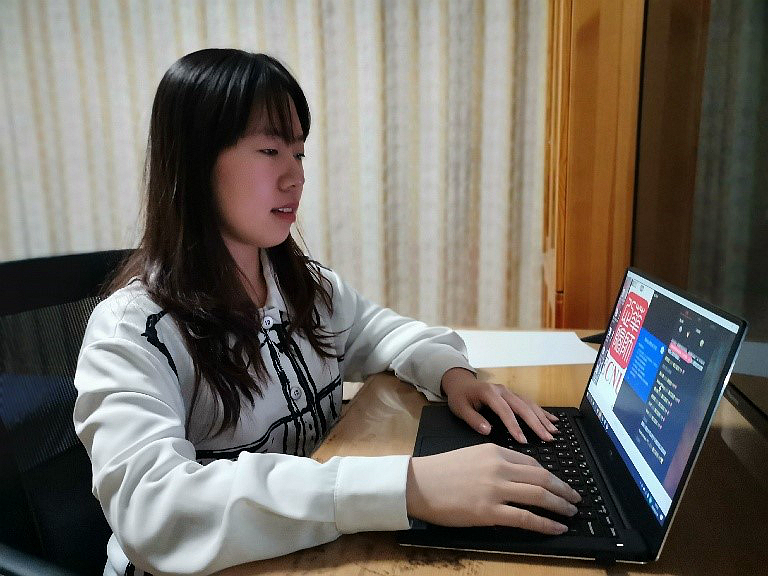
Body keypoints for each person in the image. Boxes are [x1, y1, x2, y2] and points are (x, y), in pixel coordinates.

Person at [73, 48, 580, 576]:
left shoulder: (303, 288)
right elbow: (154, 509)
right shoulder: (132, 332)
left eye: (299, 153)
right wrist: (406, 487)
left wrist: (454, 376)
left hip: (306, 558)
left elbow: (386, 334)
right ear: (195, 162)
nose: (295, 177)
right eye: (270, 150)